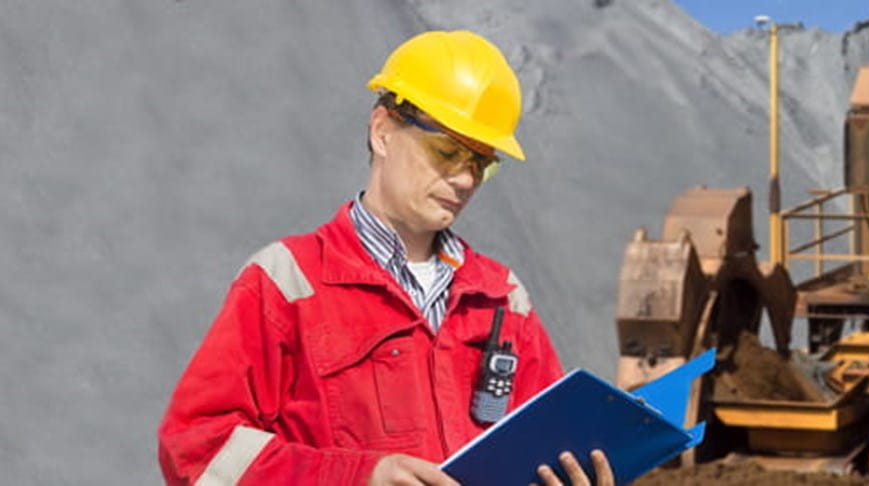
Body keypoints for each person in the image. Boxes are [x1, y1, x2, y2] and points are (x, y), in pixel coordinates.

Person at [157, 30, 614, 486]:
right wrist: (360, 478)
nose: (464, 180)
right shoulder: (287, 282)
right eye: (448, 152)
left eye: (480, 163)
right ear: (383, 132)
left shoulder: (504, 299)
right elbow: (197, 451)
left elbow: (549, 447)